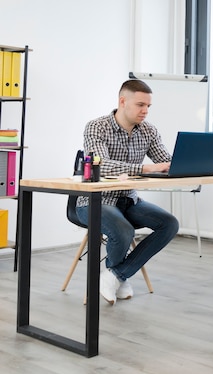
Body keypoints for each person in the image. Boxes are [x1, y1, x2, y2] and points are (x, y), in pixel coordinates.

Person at [76, 79, 179, 306]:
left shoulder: (148, 130)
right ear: (123, 101)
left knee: (169, 224)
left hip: (129, 201)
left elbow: (165, 160)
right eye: (141, 104)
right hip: (94, 201)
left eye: (149, 106)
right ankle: (118, 278)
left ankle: (115, 275)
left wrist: (183, 164)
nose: (145, 111)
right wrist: (145, 168)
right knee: (123, 230)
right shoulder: (97, 126)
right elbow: (101, 166)